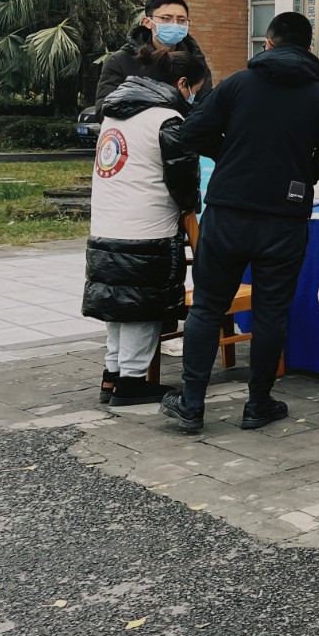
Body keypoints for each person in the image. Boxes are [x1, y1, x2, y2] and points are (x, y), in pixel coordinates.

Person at [160, 12, 319, 434]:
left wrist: (229, 155)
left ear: (267, 44)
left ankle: (191, 404)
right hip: (284, 219)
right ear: (309, 49)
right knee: (271, 312)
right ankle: (258, 404)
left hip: (228, 211)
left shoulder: (237, 85)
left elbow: (190, 133)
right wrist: (301, 170)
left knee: (208, 306)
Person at [83, 47, 208, 407]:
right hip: (147, 226)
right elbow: (183, 179)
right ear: (181, 84)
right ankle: (133, 382)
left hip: (106, 222)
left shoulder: (115, 113)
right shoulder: (167, 119)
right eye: (195, 90)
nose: (193, 98)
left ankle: (112, 376)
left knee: (117, 303)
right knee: (142, 305)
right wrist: (192, 206)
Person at [97, 0, 213, 106]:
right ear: (147, 22)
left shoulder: (195, 60)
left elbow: (208, 105)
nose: (174, 24)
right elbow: (105, 107)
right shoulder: (121, 60)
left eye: (181, 20)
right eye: (166, 18)